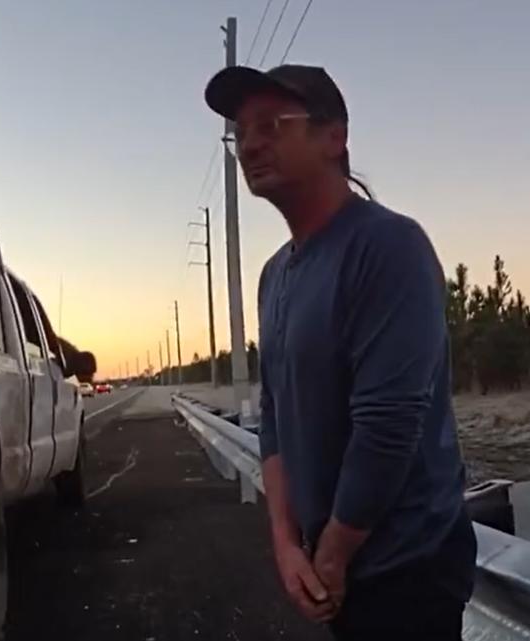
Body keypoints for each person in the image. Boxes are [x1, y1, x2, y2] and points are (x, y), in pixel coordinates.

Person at [203, 64, 476, 640]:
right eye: (240, 132)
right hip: (334, 564)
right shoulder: (275, 275)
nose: (249, 145)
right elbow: (274, 416)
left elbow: (388, 421)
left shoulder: (388, 246)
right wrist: (286, 543)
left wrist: (331, 555)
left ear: (334, 137)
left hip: (406, 569)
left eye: (271, 125)